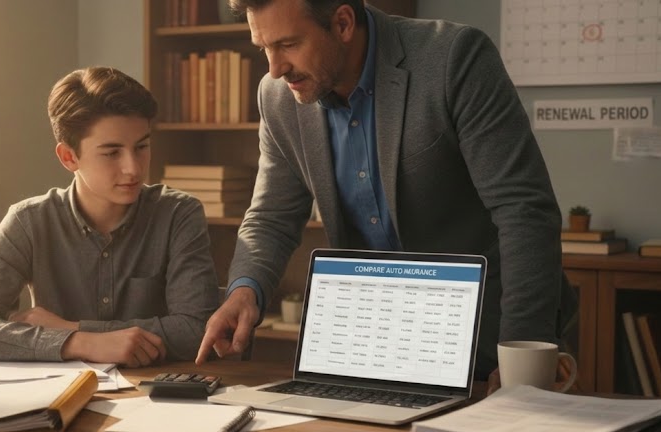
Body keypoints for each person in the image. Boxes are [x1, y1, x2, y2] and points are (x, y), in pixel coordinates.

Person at [196, 0, 576, 382]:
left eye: (289, 45)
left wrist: (522, 355)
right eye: (264, 48)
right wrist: (244, 291)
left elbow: (523, 209)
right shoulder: (277, 97)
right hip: (372, 345)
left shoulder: (454, 58)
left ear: (343, 23)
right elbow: (271, 218)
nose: (275, 69)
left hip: (487, 336)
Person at [0, 66, 219, 367]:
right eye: (112, 153)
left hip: (162, 399)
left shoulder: (178, 214)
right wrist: (82, 343)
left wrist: (69, 329)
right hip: (61, 397)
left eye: (141, 147)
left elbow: (196, 330)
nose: (134, 168)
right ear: (68, 157)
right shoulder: (28, 222)